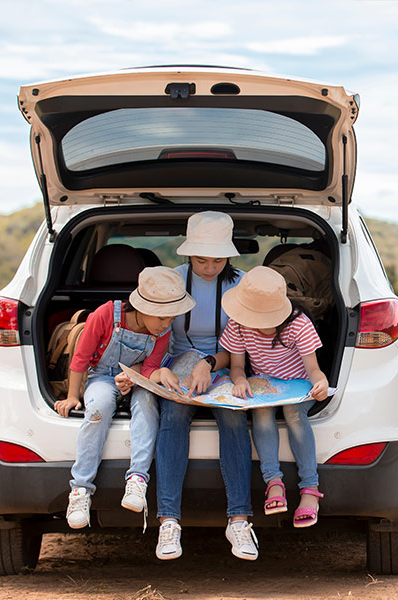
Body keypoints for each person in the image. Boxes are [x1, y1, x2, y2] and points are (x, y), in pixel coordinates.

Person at [128, 211, 258, 561]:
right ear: (187, 254)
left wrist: (210, 364)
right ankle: (168, 521)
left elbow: (243, 341)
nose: (210, 267)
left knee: (232, 418)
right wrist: (181, 367)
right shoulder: (172, 281)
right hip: (179, 362)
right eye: (201, 259)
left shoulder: (242, 285)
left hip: (228, 361)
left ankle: (239, 521)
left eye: (218, 260)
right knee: (173, 415)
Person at [55, 266, 195, 531]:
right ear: (141, 307)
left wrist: (137, 378)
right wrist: (73, 396)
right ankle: (81, 490)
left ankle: (138, 479)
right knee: (97, 409)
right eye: (162, 318)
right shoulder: (105, 315)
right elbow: (82, 358)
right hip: (103, 377)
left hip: (139, 378)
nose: (166, 325)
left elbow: (151, 367)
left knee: (146, 405)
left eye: (171, 318)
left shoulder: (162, 330)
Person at [220, 266, 329, 528]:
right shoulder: (238, 324)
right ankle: (273, 482)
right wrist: (241, 380)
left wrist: (322, 383)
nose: (255, 324)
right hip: (264, 387)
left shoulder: (299, 324)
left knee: (292, 413)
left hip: (299, 386)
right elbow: (237, 366)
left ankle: (310, 489)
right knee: (261, 412)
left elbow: (313, 370)